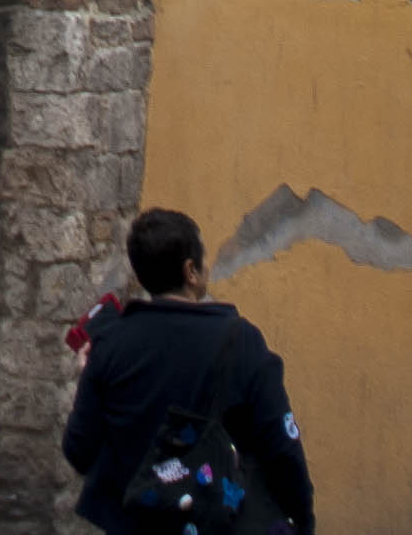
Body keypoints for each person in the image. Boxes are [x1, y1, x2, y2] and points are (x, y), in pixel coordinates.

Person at [62, 207, 316, 532]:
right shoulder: (241, 342)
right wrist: (303, 519)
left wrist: (89, 377)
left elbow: (78, 452)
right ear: (191, 271)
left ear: (141, 275)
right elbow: (283, 450)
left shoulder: (109, 346)